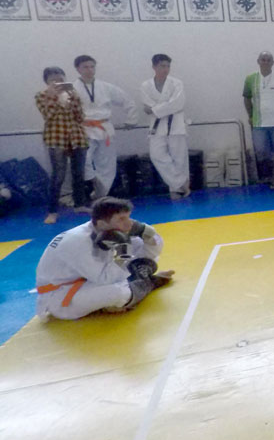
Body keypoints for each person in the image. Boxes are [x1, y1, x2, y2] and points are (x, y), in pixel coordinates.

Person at [35, 196, 173, 321]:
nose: (129, 224)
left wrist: (147, 233)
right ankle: (149, 283)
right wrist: (123, 253)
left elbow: (149, 253)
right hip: (62, 296)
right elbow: (105, 279)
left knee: (143, 260)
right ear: (101, 224)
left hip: (88, 280)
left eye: (128, 217)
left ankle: (130, 288)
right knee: (119, 293)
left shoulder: (108, 229)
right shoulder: (78, 242)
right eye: (121, 219)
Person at [72, 55, 138, 199]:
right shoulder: (72, 89)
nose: (89, 70)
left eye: (92, 66)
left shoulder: (106, 87)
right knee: (84, 160)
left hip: (104, 128)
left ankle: (101, 194)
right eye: (85, 67)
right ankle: (94, 184)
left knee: (107, 164)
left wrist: (131, 119)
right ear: (78, 69)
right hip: (83, 129)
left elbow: (127, 100)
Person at [35, 67, 90, 224]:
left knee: (79, 173)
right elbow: (48, 115)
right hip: (56, 138)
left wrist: (73, 99)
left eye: (60, 79)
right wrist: (53, 96)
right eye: (53, 80)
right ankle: (52, 211)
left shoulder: (72, 94)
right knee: (58, 176)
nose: (58, 82)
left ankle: (80, 205)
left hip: (77, 137)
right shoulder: (41, 95)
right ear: (47, 81)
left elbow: (80, 116)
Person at [140, 54, 190, 200]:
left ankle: (176, 190)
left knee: (179, 158)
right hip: (157, 126)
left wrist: (155, 109)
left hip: (176, 123)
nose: (166, 69)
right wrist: (164, 106)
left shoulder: (177, 83)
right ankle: (181, 183)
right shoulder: (145, 86)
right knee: (156, 155)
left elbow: (178, 103)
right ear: (154, 67)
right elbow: (146, 103)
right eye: (162, 66)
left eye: (168, 66)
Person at [243, 51, 274, 190]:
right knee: (262, 152)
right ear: (258, 61)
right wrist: (250, 116)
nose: (265, 62)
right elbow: (247, 98)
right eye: (263, 59)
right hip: (259, 123)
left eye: (268, 60)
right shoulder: (250, 79)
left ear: (272, 62)